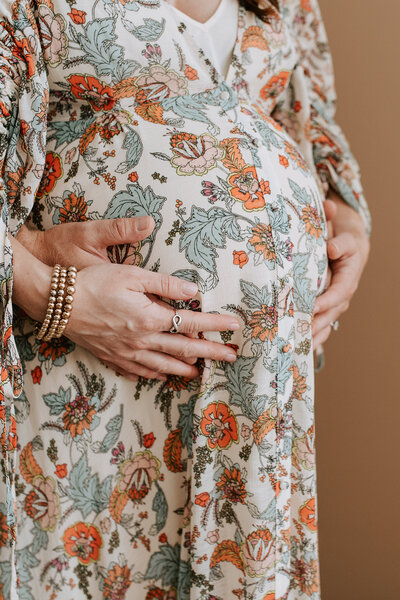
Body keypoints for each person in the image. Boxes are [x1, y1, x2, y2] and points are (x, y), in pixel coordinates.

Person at [0, 0, 370, 598]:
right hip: (92, 390)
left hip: (257, 414)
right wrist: (53, 293)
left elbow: (312, 122)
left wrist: (349, 225)